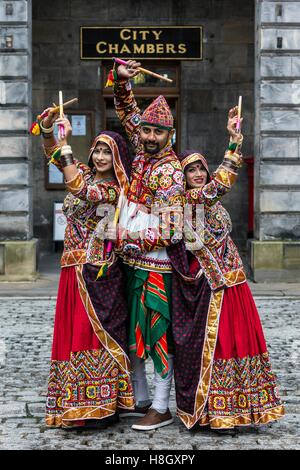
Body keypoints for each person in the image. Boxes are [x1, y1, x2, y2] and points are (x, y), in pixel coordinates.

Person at [176, 106, 285, 430]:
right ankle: (216, 412)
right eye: (190, 170)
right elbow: (220, 184)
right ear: (183, 177)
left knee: (241, 346)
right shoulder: (191, 200)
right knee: (220, 346)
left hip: (234, 283)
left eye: (200, 169)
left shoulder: (212, 203)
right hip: (213, 287)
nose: (197, 174)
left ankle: (243, 409)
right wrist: (234, 144)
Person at [38, 107, 135, 429]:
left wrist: (67, 149)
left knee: (95, 335)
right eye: (97, 150)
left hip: (98, 271)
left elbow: (82, 190)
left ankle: (103, 406)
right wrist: (49, 128)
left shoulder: (113, 189)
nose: (101, 156)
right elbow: (54, 154)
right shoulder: (84, 172)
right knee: (74, 334)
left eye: (108, 151)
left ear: (118, 156)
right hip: (73, 268)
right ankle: (76, 403)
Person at [111, 60, 186, 430]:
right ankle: (141, 399)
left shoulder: (171, 171)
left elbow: (174, 229)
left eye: (158, 132)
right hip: (131, 262)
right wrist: (122, 82)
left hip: (156, 265)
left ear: (169, 135)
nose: (150, 137)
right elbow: (127, 113)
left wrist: (132, 240)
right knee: (132, 333)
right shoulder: (141, 153)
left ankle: (161, 404)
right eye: (147, 131)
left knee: (157, 333)